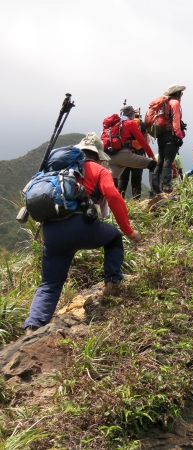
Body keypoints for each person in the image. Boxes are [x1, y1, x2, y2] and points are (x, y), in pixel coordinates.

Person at [23, 132, 142, 334]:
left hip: (52, 232)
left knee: (50, 283)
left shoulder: (55, 171)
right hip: (82, 226)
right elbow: (113, 196)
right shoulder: (97, 169)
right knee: (114, 237)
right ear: (98, 155)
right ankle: (113, 280)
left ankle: (34, 325)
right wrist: (128, 230)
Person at [107, 105, 157, 188]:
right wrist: (152, 157)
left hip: (110, 156)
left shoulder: (114, 123)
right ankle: (156, 192)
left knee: (114, 182)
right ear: (131, 114)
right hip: (123, 155)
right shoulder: (130, 123)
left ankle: (107, 200)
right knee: (154, 165)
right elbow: (143, 142)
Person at [152, 84, 185, 194]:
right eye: (181, 92)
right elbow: (175, 120)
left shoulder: (164, 104)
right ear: (177, 93)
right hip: (170, 135)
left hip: (161, 136)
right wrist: (179, 135)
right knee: (168, 160)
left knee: (160, 160)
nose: (181, 94)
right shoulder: (175, 103)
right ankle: (167, 186)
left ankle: (155, 186)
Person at [117, 108, 146, 199]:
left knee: (123, 179)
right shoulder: (141, 124)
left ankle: (120, 202)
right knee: (136, 179)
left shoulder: (121, 124)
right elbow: (146, 141)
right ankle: (136, 204)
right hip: (138, 154)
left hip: (124, 154)